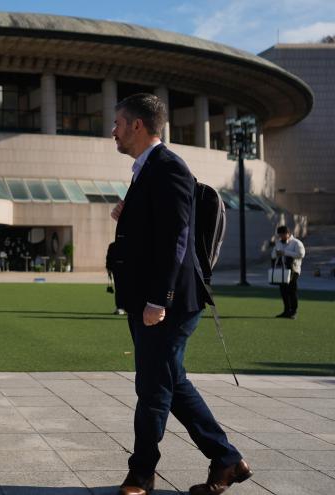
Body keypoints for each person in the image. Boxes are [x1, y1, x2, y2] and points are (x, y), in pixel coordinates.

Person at [109, 93, 251, 495]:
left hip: (168, 304)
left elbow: (178, 237)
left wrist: (160, 299)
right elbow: (158, 229)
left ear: (138, 126)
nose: (113, 131)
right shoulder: (146, 170)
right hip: (152, 301)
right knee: (172, 382)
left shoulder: (168, 167)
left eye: (118, 123)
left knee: (153, 388)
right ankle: (226, 460)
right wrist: (128, 213)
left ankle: (141, 474)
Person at [271, 225, 305, 319]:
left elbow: (301, 255)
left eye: (282, 234)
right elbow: (273, 254)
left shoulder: (297, 243)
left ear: (288, 233)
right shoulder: (279, 242)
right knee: (283, 291)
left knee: (292, 290)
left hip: (294, 270)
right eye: (279, 235)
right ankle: (286, 311)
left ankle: (293, 312)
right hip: (282, 270)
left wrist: (285, 253)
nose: (281, 237)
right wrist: (276, 253)